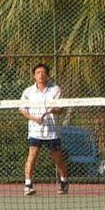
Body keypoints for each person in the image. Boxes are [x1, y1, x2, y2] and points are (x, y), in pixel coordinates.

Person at [20, 63, 69, 196]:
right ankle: (28, 184)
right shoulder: (28, 92)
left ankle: (64, 181)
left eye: (43, 72)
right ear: (34, 76)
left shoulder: (55, 90)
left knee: (58, 158)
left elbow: (61, 110)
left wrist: (54, 109)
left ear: (47, 75)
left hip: (52, 132)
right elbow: (22, 110)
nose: (40, 75)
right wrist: (34, 118)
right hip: (35, 131)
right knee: (32, 156)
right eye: (38, 73)